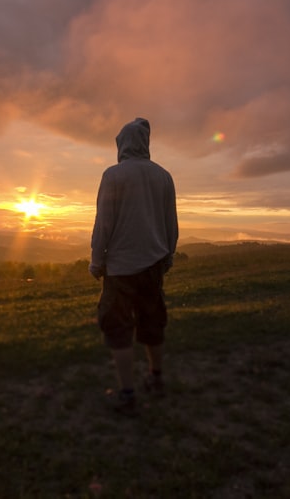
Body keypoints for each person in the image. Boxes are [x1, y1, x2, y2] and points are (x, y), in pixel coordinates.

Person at [89, 117, 178, 415]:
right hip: (153, 264)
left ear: (122, 143)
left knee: (118, 328)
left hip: (119, 269)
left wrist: (96, 261)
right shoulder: (163, 176)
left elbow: (104, 223)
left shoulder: (113, 175)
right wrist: (168, 258)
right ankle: (156, 379)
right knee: (152, 322)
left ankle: (127, 395)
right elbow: (170, 224)